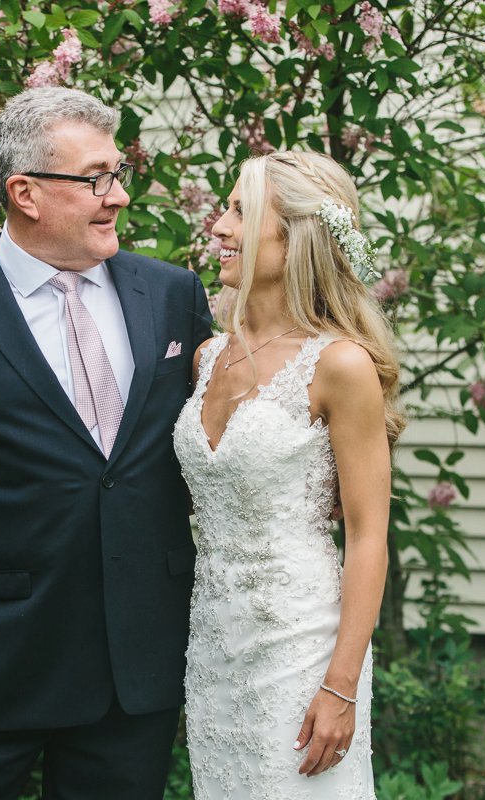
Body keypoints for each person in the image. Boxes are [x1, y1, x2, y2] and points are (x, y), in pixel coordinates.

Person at [0, 86, 213, 800]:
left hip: (133, 673)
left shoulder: (175, 294)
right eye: (94, 179)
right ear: (24, 192)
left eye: (117, 174)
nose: (116, 196)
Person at [172, 150, 404, 798]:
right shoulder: (207, 357)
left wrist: (341, 684)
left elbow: (367, 537)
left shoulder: (341, 365)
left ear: (296, 233)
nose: (219, 226)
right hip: (214, 641)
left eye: (241, 211)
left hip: (303, 645)